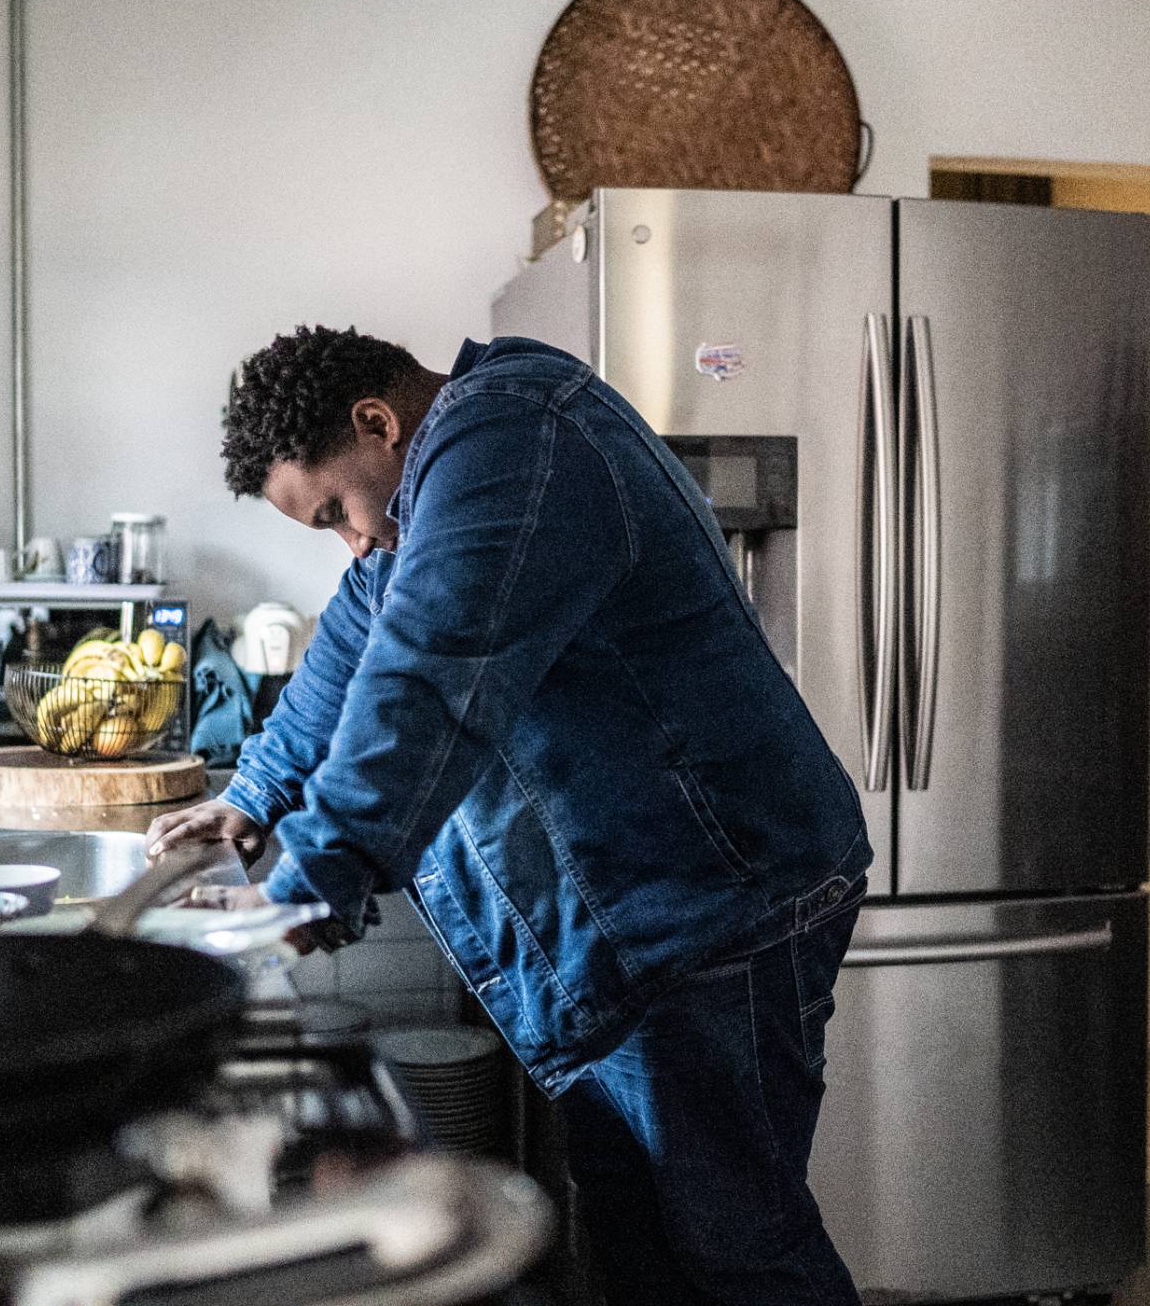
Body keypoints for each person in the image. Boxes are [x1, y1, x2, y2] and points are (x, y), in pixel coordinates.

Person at [146, 325, 871, 1304]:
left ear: (377, 421)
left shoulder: (511, 436)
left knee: (736, 1247)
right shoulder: (433, 486)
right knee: (638, 1237)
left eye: (334, 514)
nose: (353, 543)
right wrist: (254, 792)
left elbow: (429, 673)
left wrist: (318, 871)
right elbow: (361, 637)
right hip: (642, 924)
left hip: (715, 907)